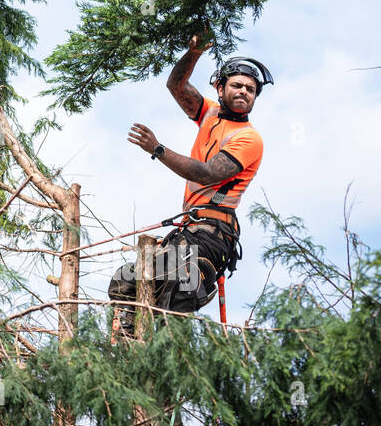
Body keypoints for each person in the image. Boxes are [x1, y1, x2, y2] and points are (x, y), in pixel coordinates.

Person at [107, 34, 270, 338]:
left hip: (212, 235)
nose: (244, 92)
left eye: (250, 90)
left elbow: (208, 173)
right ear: (220, 87)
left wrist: (158, 149)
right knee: (124, 281)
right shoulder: (209, 113)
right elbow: (176, 86)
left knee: (173, 283)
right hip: (188, 230)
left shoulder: (249, 138)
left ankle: (172, 337)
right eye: (237, 85)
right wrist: (193, 52)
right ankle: (127, 341)